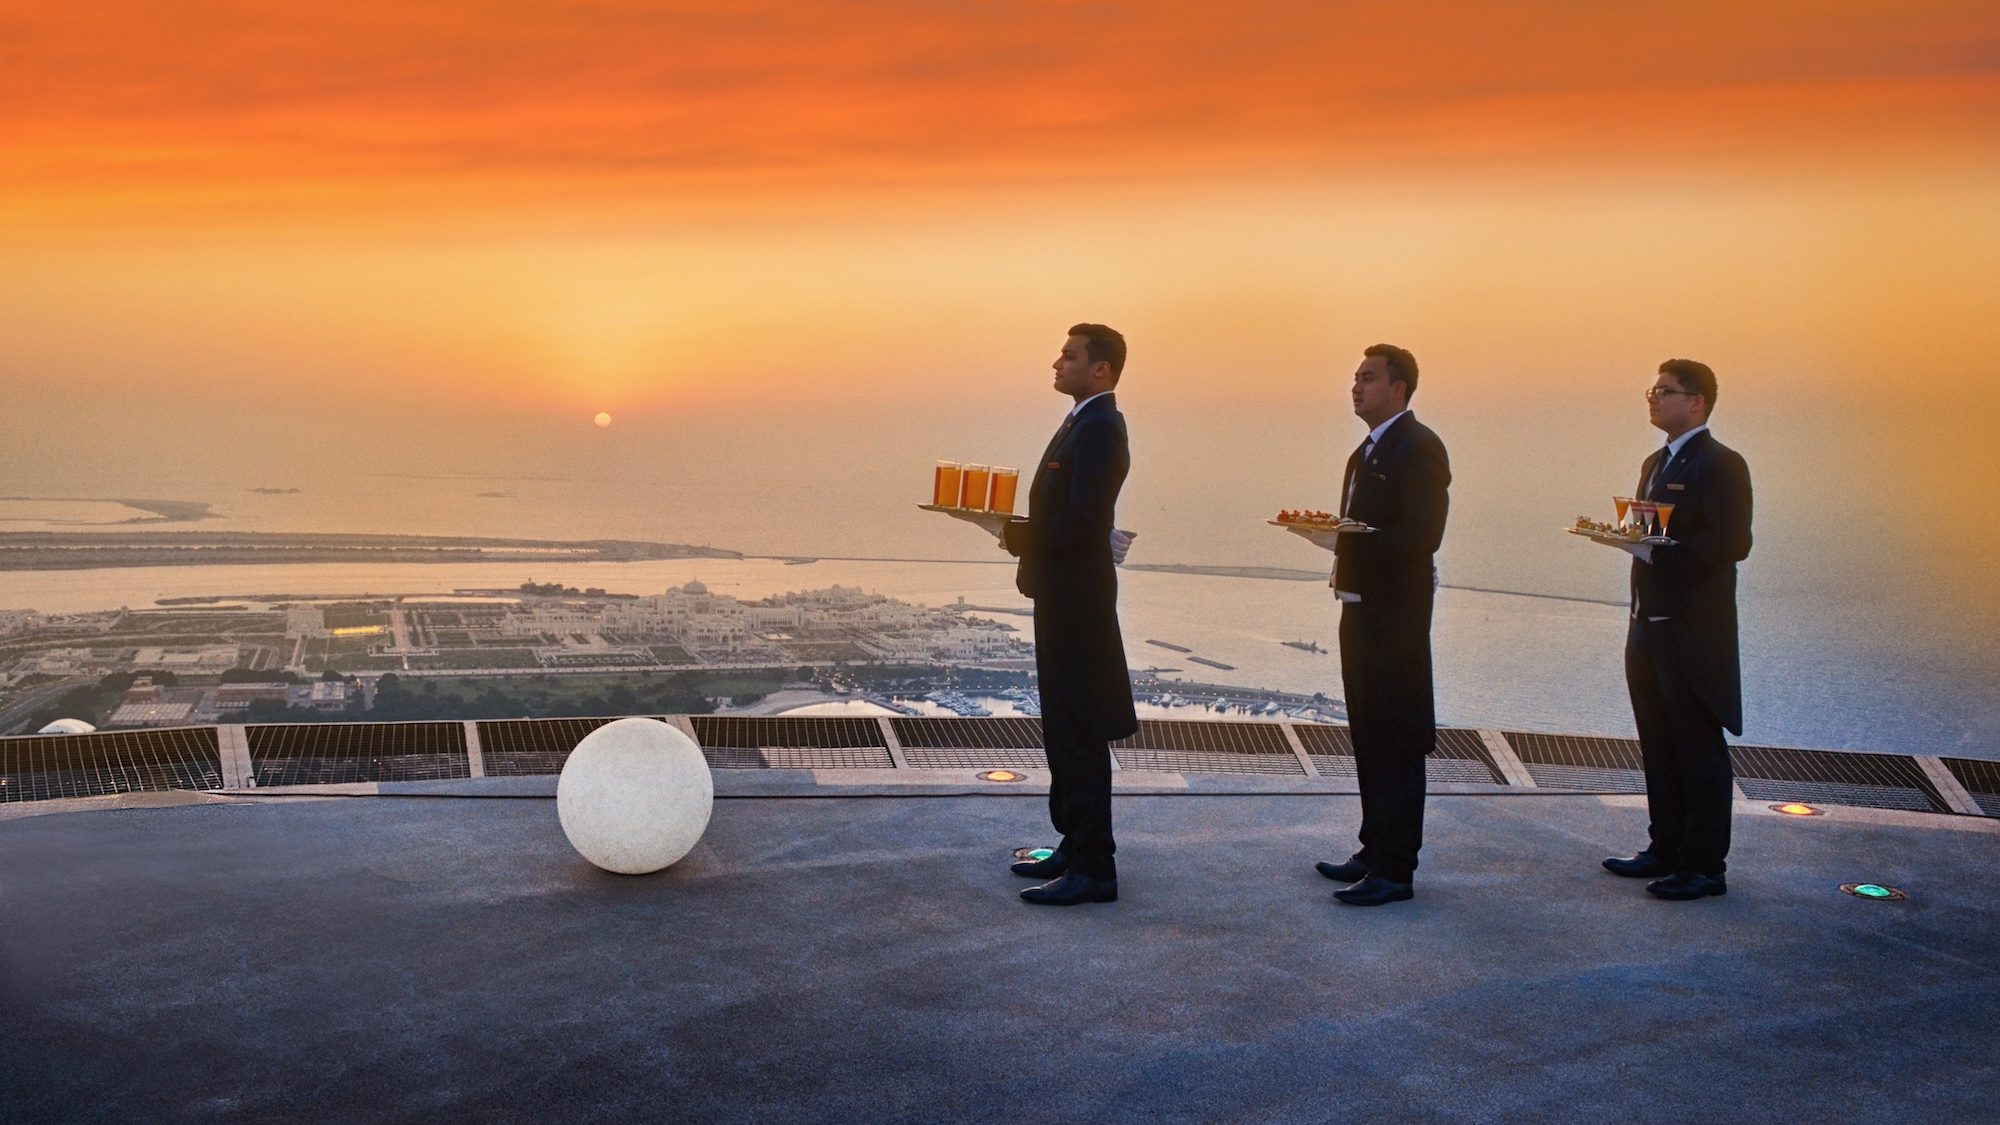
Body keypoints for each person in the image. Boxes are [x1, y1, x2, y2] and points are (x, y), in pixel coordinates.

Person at [998, 323, 1139, 906]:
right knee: (1062, 726)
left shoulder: (1102, 427)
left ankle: (1095, 869)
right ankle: (1073, 844)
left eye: (1070, 355)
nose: (1056, 362)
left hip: (1079, 606)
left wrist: (1010, 533)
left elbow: (1083, 524)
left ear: (1100, 368)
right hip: (1062, 598)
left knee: (1079, 731)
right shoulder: (1082, 419)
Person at [1604, 359, 1753, 901]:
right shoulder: (1653, 462)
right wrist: (1631, 540)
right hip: (1646, 627)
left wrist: (1668, 551)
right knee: (1659, 744)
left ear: (1697, 402)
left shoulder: (1721, 464)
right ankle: (1664, 846)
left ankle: (1705, 865)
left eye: (1665, 391)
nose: (1653, 398)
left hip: (1692, 634)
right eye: (1653, 389)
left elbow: (1734, 543)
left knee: (1697, 748)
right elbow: (1645, 539)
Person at [1312, 344, 1450, 907]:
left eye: (1368, 378)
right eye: (1355, 377)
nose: (1356, 386)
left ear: (1399, 388)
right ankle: (1374, 848)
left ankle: (1397, 869)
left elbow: (1422, 537)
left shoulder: (1420, 447)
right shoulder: (1363, 453)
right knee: (1368, 737)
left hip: (1395, 620)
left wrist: (1345, 538)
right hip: (1359, 611)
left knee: (1395, 740)